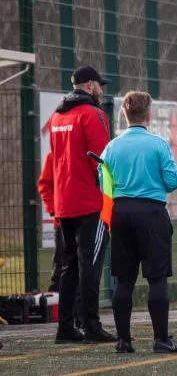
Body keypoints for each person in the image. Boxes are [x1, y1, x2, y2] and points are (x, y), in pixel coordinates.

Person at [99, 91, 177, 354]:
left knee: (123, 279)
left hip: (121, 213)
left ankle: (123, 341)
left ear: (124, 115)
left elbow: (103, 182)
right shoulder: (159, 144)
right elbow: (173, 182)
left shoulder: (111, 147)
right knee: (157, 278)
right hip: (151, 213)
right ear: (148, 115)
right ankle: (161, 339)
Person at [49, 66, 116, 344]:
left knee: (69, 267)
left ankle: (65, 327)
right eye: (99, 85)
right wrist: (112, 200)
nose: (101, 90)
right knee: (91, 265)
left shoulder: (57, 116)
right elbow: (101, 161)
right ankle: (91, 325)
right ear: (89, 85)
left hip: (64, 202)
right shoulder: (93, 114)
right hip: (90, 202)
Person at [37, 151, 82, 328]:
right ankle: (60, 314)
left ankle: (79, 314)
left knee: (82, 268)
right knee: (63, 266)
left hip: (84, 219)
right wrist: (56, 211)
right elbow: (45, 186)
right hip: (63, 220)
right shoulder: (53, 156)